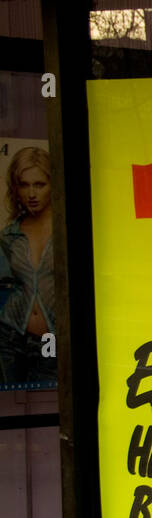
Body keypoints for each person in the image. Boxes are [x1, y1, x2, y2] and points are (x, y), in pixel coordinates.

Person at [0, 146, 57, 386]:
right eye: (24, 185)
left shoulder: (66, 232)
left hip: (51, 338)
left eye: (39, 184)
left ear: (53, 185)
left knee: (49, 405)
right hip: (10, 337)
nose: (31, 193)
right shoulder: (9, 235)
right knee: (11, 405)